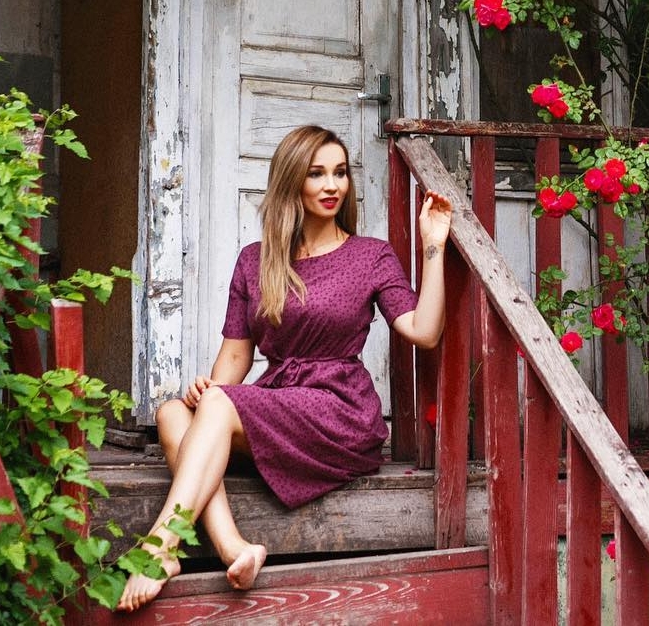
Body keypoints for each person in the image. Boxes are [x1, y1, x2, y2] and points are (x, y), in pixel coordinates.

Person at [117, 125, 452, 611]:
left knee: (213, 408)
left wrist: (433, 247)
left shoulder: (370, 255)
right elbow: (236, 358)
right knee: (172, 413)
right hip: (280, 401)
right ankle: (234, 548)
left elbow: (425, 330)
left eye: (340, 173)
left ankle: (159, 548)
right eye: (317, 174)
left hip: (339, 409)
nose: (332, 185)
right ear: (292, 181)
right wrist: (208, 392)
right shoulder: (255, 261)